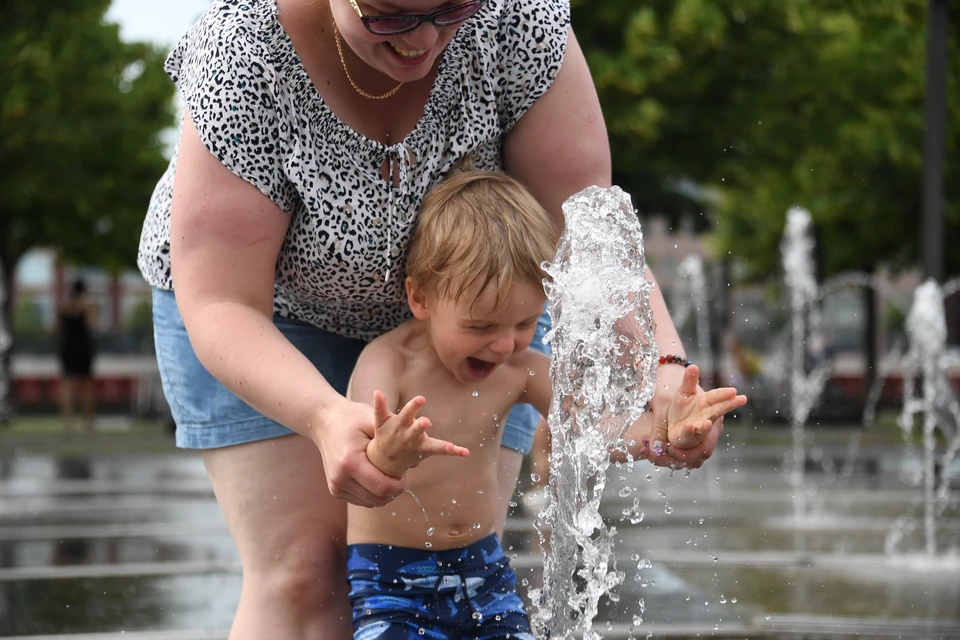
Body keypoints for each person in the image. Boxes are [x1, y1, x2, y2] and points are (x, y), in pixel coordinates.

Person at [137, 0, 731, 636]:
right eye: (390, 15)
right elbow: (224, 301)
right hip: (267, 314)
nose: (424, 38)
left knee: (454, 551)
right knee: (303, 576)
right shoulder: (243, 50)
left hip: (474, 311)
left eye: (452, 8)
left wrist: (664, 373)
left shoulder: (515, 17)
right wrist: (323, 415)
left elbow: (589, 236)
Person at [344, 169, 745, 638]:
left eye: (525, 323)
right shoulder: (387, 363)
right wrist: (386, 457)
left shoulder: (521, 369)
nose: (503, 345)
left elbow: (594, 432)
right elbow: (358, 455)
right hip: (391, 580)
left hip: (486, 571)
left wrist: (664, 437)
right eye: (480, 327)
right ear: (420, 297)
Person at [56, 279, 97, 433]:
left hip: (67, 347)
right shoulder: (87, 306)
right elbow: (93, 325)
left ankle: (67, 423)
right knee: (86, 385)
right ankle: (88, 423)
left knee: (67, 385)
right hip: (83, 348)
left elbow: (55, 328)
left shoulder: (63, 307)